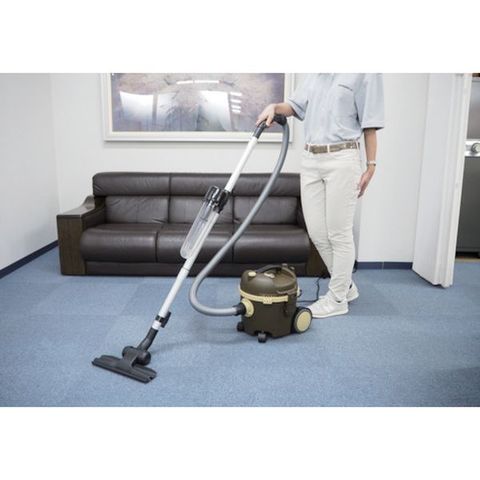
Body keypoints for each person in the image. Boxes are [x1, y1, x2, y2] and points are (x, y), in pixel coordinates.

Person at [256, 74, 385, 318]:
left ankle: (336, 299)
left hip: (342, 158)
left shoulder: (365, 72)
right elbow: (294, 106)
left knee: (339, 233)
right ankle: (346, 286)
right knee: (317, 232)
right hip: (310, 159)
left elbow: (370, 124)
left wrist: (371, 165)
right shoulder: (315, 74)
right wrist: (274, 107)